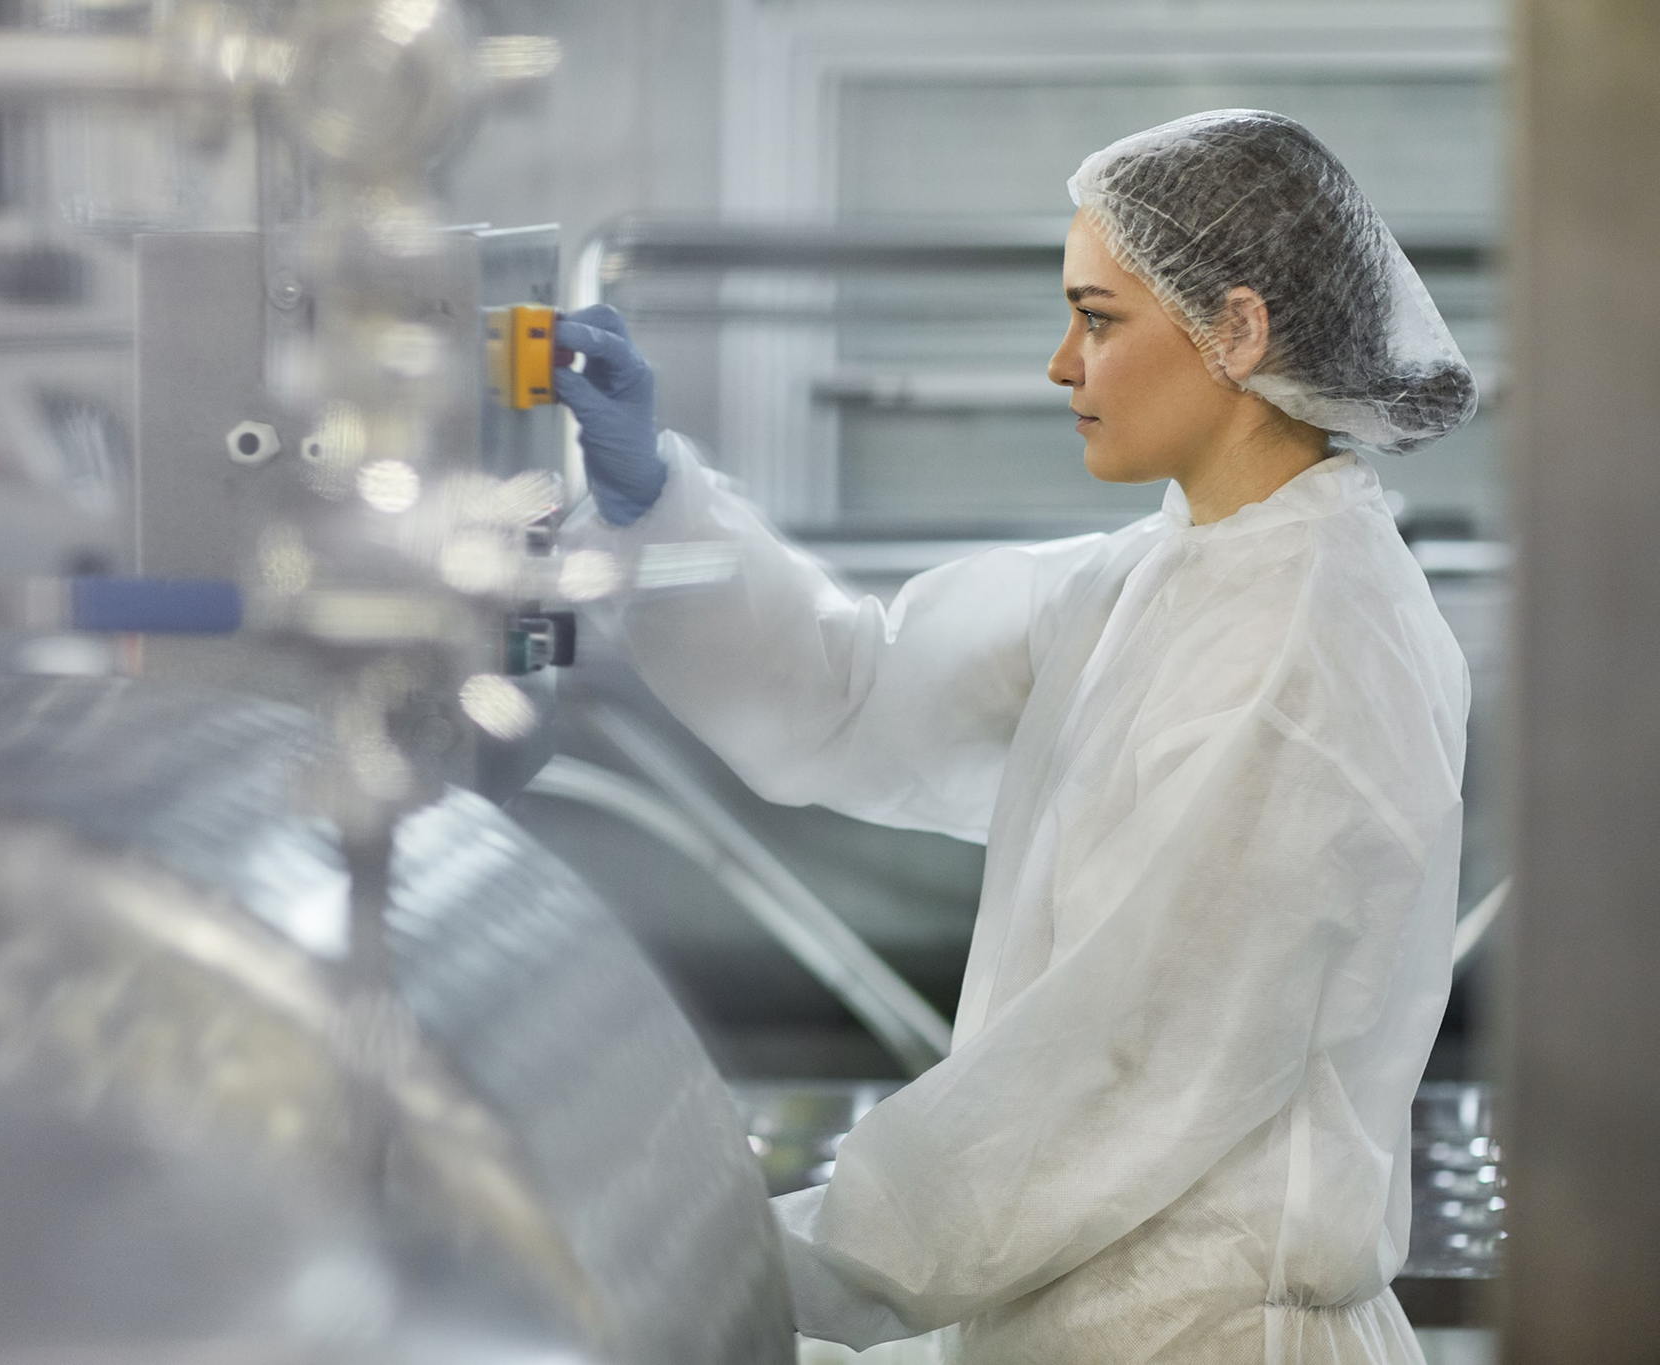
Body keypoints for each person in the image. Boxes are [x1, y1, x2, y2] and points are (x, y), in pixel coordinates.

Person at [554, 110, 1475, 1365]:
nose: (1059, 363)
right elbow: (857, 688)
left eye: (1097, 320)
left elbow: (1121, 1069)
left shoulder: (1306, 649)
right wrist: (648, 501)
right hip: (1084, 1315)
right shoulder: (1165, 573)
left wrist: (749, 1267)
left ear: (1238, 331)